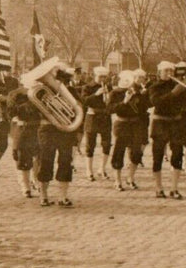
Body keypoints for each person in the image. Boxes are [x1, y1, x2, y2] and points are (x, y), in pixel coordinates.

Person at [32, 63, 79, 207]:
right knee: (46, 161)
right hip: (47, 130)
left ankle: (63, 196)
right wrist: (50, 106)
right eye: (58, 78)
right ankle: (43, 196)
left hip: (65, 130)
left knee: (66, 162)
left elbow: (78, 110)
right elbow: (33, 110)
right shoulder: (40, 92)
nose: (61, 82)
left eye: (64, 80)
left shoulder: (71, 91)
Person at [147, 61, 186, 199]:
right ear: (159, 72)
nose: (169, 73)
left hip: (176, 123)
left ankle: (174, 188)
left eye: (171, 71)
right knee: (158, 156)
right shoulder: (154, 87)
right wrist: (174, 93)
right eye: (166, 71)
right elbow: (157, 102)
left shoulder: (179, 85)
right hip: (160, 123)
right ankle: (158, 188)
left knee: (177, 155)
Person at [108, 70, 147, 192]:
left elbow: (143, 109)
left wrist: (140, 95)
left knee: (136, 152)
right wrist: (124, 101)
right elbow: (110, 109)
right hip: (121, 124)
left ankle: (130, 177)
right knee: (119, 151)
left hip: (135, 124)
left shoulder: (136, 92)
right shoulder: (115, 93)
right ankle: (117, 180)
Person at [6, 83, 41, 199]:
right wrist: (30, 103)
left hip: (39, 128)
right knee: (23, 157)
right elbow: (11, 113)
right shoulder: (16, 94)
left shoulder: (43, 92)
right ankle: (25, 186)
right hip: (23, 129)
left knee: (39, 156)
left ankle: (35, 179)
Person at [81, 66, 113, 180]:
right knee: (90, 145)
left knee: (107, 144)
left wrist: (110, 98)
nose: (103, 79)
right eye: (100, 77)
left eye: (104, 77)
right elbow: (84, 101)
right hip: (92, 117)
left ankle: (102, 169)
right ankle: (89, 171)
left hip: (105, 117)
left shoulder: (109, 86)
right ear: (95, 76)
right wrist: (96, 94)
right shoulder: (87, 87)